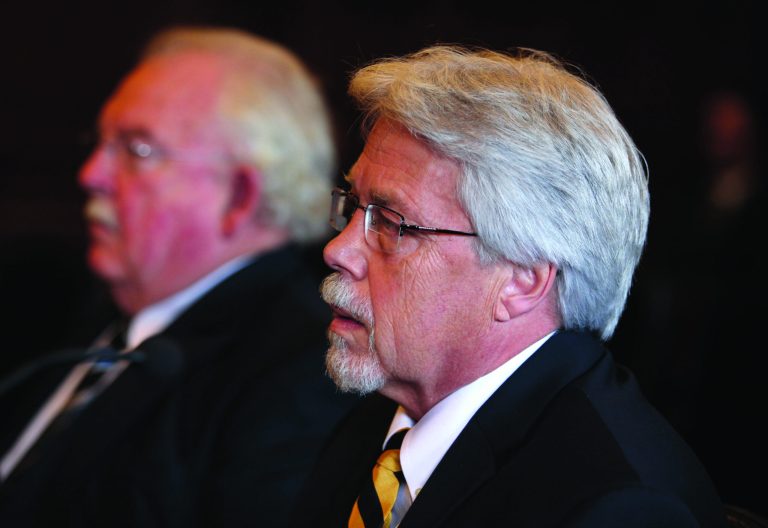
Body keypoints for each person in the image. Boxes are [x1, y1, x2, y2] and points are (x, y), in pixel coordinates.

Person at [296, 46, 727, 527]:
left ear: (522, 281)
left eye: (392, 224)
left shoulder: (615, 505)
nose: (338, 250)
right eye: (354, 207)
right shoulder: (376, 426)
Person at [0, 26, 355, 527]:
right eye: (101, 143)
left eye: (137, 150)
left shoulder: (300, 368)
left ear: (239, 196)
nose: (91, 174)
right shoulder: (69, 305)